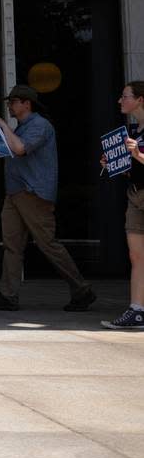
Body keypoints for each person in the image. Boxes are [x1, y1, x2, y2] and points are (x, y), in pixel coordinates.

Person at [0, 85, 96, 312]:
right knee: (12, 245)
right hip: (15, 193)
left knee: (47, 244)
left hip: (33, 193)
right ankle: (7, 294)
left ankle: (82, 289)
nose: (9, 106)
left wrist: (3, 125)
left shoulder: (40, 125)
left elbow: (21, 149)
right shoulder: (21, 128)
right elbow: (12, 150)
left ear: (26, 104)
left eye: (13, 101)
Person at [101, 82, 144, 329]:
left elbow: (139, 157)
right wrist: (115, 161)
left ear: (140, 99)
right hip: (135, 195)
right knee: (136, 255)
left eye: (125, 96)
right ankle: (137, 309)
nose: (120, 101)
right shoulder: (132, 130)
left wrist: (137, 154)